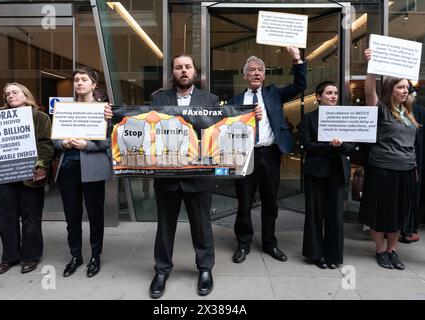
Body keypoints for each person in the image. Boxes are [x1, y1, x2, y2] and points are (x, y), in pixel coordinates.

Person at [105, 54, 223, 298]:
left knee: (202, 226)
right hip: (167, 175)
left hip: (199, 176)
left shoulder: (210, 99)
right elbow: (143, 124)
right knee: (165, 227)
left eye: (187, 67)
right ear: (173, 73)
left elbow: (221, 128)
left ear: (194, 72)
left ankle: (204, 269)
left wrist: (252, 118)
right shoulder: (159, 98)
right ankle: (161, 270)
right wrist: (113, 117)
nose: (183, 71)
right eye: (178, 67)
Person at [228, 46, 307, 264]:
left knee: (270, 201)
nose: (256, 73)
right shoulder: (235, 101)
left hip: (270, 153)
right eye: (251, 70)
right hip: (245, 157)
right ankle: (243, 243)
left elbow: (300, 85)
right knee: (244, 201)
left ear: (264, 75)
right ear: (245, 75)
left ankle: (270, 243)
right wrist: (246, 115)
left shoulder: (273, 94)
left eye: (259, 70)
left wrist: (296, 59)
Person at [0, 82, 54, 275]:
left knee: (31, 219)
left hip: (31, 175)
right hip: (5, 176)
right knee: (6, 219)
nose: (10, 96)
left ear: (25, 94)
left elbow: (45, 145)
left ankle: (30, 257)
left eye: (15, 92)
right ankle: (9, 257)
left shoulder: (40, 117)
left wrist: (42, 167)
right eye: (7, 94)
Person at [360, 49, 418, 270]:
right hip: (383, 168)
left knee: (398, 212)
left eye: (407, 87)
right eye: (401, 87)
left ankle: (393, 250)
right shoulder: (381, 109)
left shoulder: (408, 112)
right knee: (381, 211)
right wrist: (372, 66)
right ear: (390, 89)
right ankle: (380, 250)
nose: (405, 91)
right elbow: (368, 90)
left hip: (406, 169)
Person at [53, 66, 112, 278]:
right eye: (76, 79)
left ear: (93, 84)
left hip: (92, 169)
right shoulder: (65, 109)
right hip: (68, 167)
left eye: (84, 79)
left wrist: (87, 145)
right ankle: (75, 256)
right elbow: (55, 139)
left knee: (95, 216)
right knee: (72, 216)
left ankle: (96, 255)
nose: (79, 83)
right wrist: (64, 143)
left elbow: (108, 142)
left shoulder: (104, 110)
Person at [300, 81, 353, 269]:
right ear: (318, 96)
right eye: (329, 92)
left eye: (336, 93)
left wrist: (340, 146)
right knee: (314, 214)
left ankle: (334, 256)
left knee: (335, 216)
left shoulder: (345, 117)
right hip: (315, 172)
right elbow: (307, 145)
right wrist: (330, 146)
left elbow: (351, 146)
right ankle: (315, 255)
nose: (333, 96)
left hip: (338, 171)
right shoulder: (309, 118)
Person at [399, 83, 425, 243]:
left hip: (413, 159)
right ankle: (405, 229)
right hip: (406, 158)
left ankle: (407, 229)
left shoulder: (417, 112)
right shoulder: (394, 111)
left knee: (410, 196)